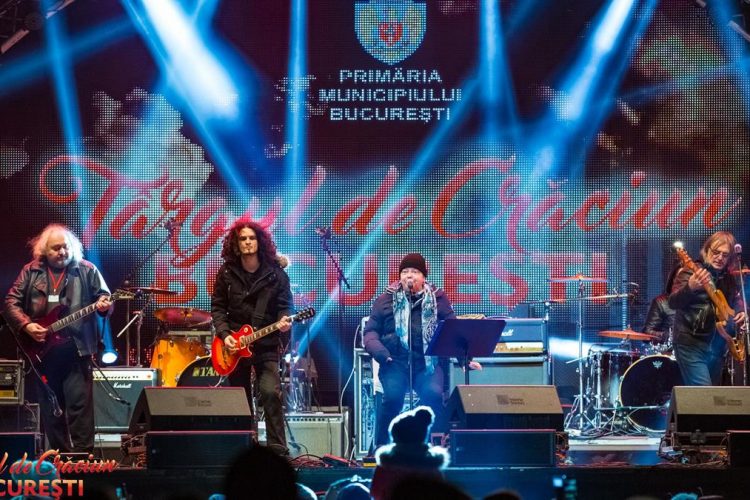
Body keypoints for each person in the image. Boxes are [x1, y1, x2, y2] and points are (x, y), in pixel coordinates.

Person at [3, 224, 112, 452]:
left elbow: (105, 298)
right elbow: (11, 303)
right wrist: (26, 325)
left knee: (80, 408)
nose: (62, 252)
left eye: (65, 247)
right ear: (44, 250)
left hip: (77, 350)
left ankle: (83, 458)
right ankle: (60, 457)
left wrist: (104, 306)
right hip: (42, 352)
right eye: (56, 248)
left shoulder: (86, 269)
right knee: (51, 409)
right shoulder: (31, 271)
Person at [364, 252, 477, 446]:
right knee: (392, 399)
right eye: (405, 271)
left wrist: (464, 359)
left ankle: (434, 445)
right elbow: (370, 332)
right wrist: (381, 353)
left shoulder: (438, 299)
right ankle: (381, 447)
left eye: (415, 271)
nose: (409, 275)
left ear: (424, 276)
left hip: (427, 364)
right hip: (394, 362)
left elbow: (452, 330)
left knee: (433, 396)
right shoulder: (385, 299)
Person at [211, 218, 292, 455]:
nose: (247, 242)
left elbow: (285, 306)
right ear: (236, 243)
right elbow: (218, 307)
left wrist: (284, 320)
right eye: (243, 238)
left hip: (265, 344)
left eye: (252, 238)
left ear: (260, 241)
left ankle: (278, 450)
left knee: (270, 393)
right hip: (234, 346)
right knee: (239, 399)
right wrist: (224, 334)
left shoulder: (276, 275)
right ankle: (242, 449)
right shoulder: (226, 273)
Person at [668, 231, 746, 386]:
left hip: (716, 348)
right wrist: (690, 288)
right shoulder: (690, 271)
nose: (720, 258)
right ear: (707, 250)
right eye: (716, 252)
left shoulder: (727, 278)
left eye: (725, 255)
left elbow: (737, 300)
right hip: (690, 343)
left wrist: (741, 311)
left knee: (710, 396)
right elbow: (672, 302)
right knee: (704, 392)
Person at [643, 266, 679, 349]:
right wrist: (669, 336)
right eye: (680, 277)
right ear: (673, 280)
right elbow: (646, 333)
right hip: (669, 352)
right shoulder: (661, 302)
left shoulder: (697, 303)